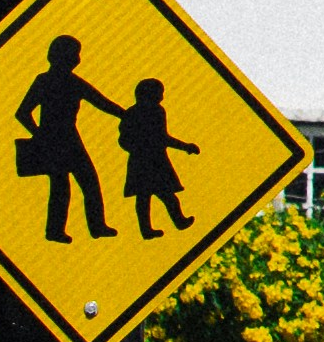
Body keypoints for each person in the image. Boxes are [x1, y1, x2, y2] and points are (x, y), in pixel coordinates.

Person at [12, 36, 112, 243]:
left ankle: (97, 227)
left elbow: (101, 102)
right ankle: (56, 231)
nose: (77, 59)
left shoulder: (74, 82)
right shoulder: (44, 81)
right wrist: (40, 135)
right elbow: (22, 113)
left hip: (69, 138)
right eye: (74, 54)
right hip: (55, 140)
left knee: (87, 182)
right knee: (63, 186)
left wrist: (126, 114)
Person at [111, 69, 192, 241]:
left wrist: (184, 146)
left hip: (153, 160)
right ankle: (151, 229)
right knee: (147, 197)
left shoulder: (157, 111)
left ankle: (177, 221)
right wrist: (138, 148)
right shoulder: (138, 113)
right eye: (158, 94)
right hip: (147, 161)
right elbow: (124, 138)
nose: (161, 97)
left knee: (160, 196)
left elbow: (163, 137)